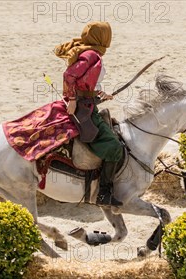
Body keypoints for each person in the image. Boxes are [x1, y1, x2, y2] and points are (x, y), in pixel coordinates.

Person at [54, 21, 123, 206]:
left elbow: (85, 82)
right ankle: (103, 193)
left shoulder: (91, 52)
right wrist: (73, 99)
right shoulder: (91, 54)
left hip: (89, 101)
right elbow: (69, 76)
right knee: (115, 147)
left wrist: (100, 93)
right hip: (84, 108)